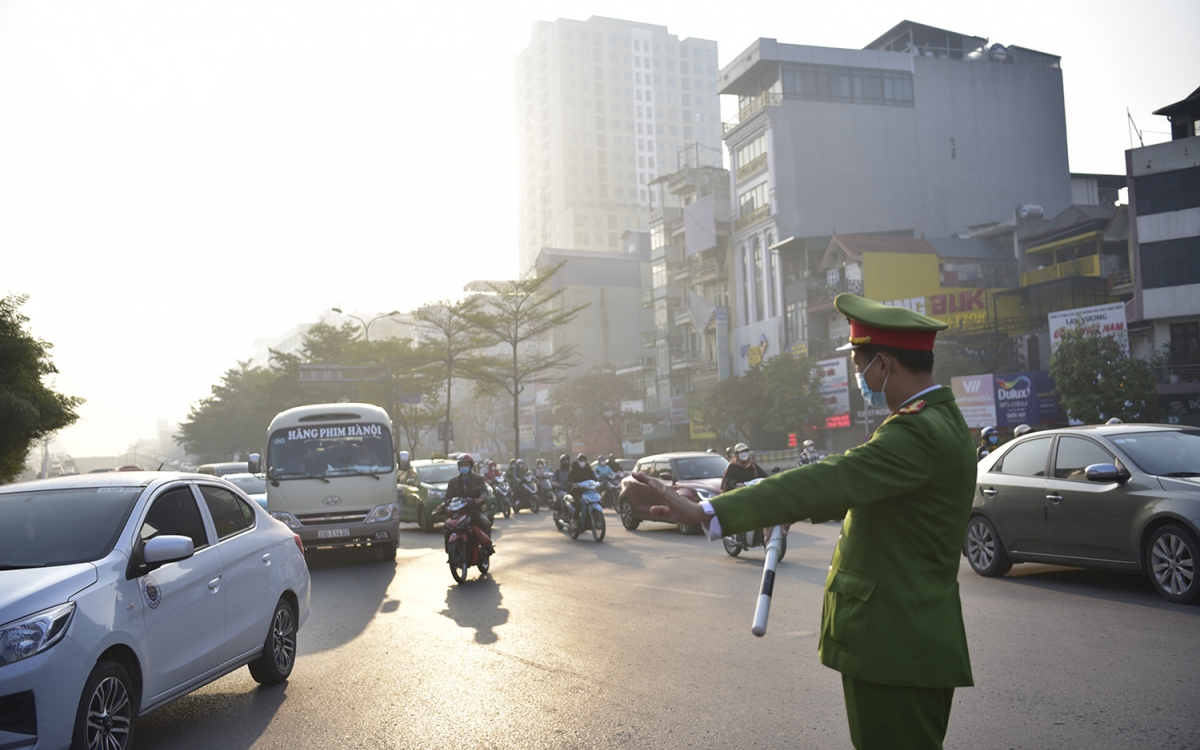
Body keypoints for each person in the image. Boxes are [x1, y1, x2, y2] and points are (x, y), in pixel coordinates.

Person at [621, 292, 975, 749]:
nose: (859, 377)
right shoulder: (943, 420)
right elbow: (870, 493)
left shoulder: (917, 432)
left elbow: (830, 479)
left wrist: (708, 509)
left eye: (858, 366)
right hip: (911, 638)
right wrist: (783, 514)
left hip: (894, 644)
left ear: (883, 365)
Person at [441, 454, 493, 552]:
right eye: (461, 465)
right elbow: (448, 497)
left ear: (470, 465)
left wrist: (481, 499)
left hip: (475, 510)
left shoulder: (479, 479)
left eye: (465, 464)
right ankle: (450, 551)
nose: (463, 467)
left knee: (485, 523)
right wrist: (444, 505)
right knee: (446, 527)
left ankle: (487, 547)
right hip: (458, 512)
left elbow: (484, 492)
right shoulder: (453, 481)